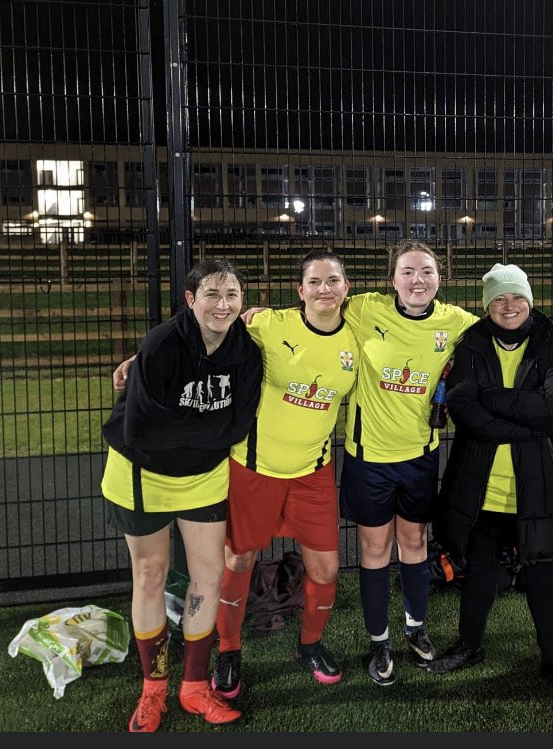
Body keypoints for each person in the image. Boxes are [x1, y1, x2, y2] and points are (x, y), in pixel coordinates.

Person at [100, 258, 263, 732]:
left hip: (204, 475)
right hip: (140, 471)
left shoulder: (246, 352)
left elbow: (240, 424)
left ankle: (193, 688)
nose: (223, 304)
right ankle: (153, 689)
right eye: (212, 294)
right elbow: (144, 431)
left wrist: (193, 430)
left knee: (208, 576)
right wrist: (210, 431)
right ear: (191, 299)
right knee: (150, 573)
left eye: (232, 295)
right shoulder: (162, 344)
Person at [424, 263, 553, 700]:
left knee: (543, 577)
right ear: (488, 306)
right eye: (499, 298)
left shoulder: (551, 346)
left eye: (517, 297)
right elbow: (463, 408)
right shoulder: (472, 343)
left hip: (537, 487)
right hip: (482, 486)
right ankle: (469, 645)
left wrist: (492, 400)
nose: (509, 305)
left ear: (530, 302)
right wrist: (524, 425)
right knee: (479, 572)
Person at [208, 250, 359, 696]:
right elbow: (206, 335)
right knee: (238, 559)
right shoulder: (269, 325)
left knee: (327, 569)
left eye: (333, 280)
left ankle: (309, 645)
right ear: (300, 291)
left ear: (346, 288)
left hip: (313, 471)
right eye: (315, 282)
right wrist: (143, 362)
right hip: (255, 468)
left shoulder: (357, 340)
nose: (324, 289)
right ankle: (229, 651)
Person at [339, 239, 478, 685]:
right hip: (368, 460)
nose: (418, 280)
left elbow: (512, 325)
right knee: (376, 549)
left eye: (427, 272)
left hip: (419, 458)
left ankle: (416, 629)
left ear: (441, 277)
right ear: (391, 278)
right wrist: (256, 316)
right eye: (408, 272)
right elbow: (310, 313)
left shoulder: (456, 322)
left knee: (414, 545)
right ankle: (379, 641)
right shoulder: (363, 310)